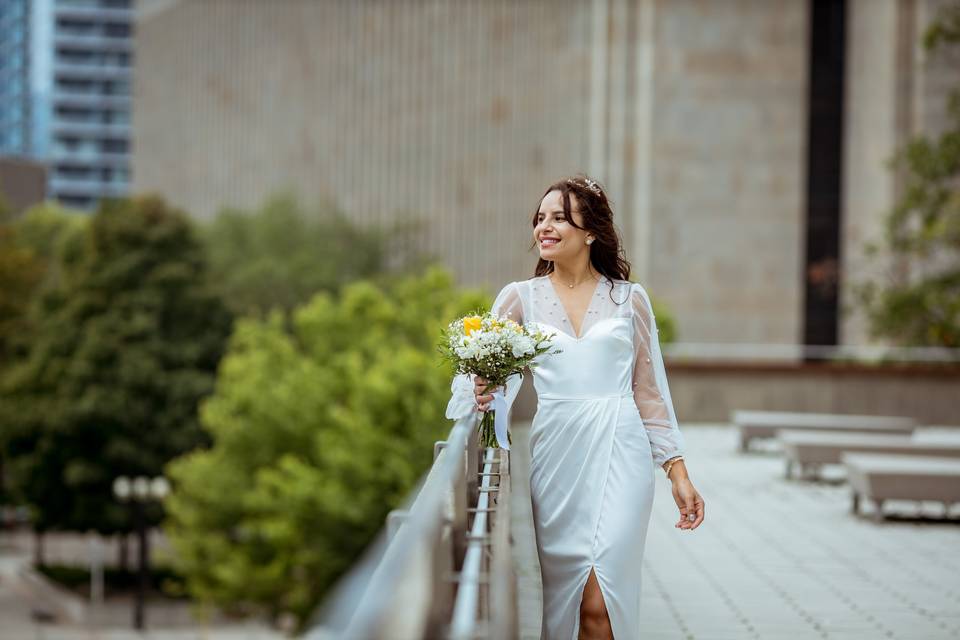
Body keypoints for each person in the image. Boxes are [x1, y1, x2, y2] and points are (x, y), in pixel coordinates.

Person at [445, 174, 705, 640]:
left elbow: (649, 391)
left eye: (559, 218)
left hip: (621, 450)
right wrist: (482, 389)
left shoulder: (629, 300)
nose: (545, 227)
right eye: (540, 218)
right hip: (557, 457)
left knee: (601, 603)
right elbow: (481, 389)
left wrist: (677, 471)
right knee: (571, 605)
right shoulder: (518, 298)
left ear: (590, 232)